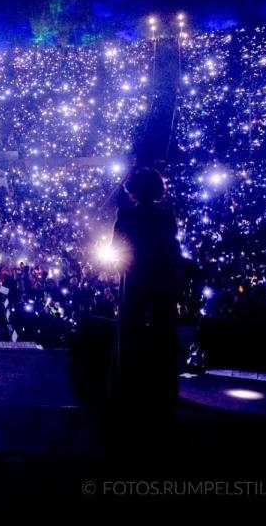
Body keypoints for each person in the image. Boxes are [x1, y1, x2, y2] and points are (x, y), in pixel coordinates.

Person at [109, 166, 183, 421]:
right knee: (163, 330)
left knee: (130, 329)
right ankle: (163, 387)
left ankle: (127, 383)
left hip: (135, 276)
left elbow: (116, 248)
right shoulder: (166, 216)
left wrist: (124, 268)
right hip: (161, 277)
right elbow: (173, 248)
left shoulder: (126, 215)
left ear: (133, 190)